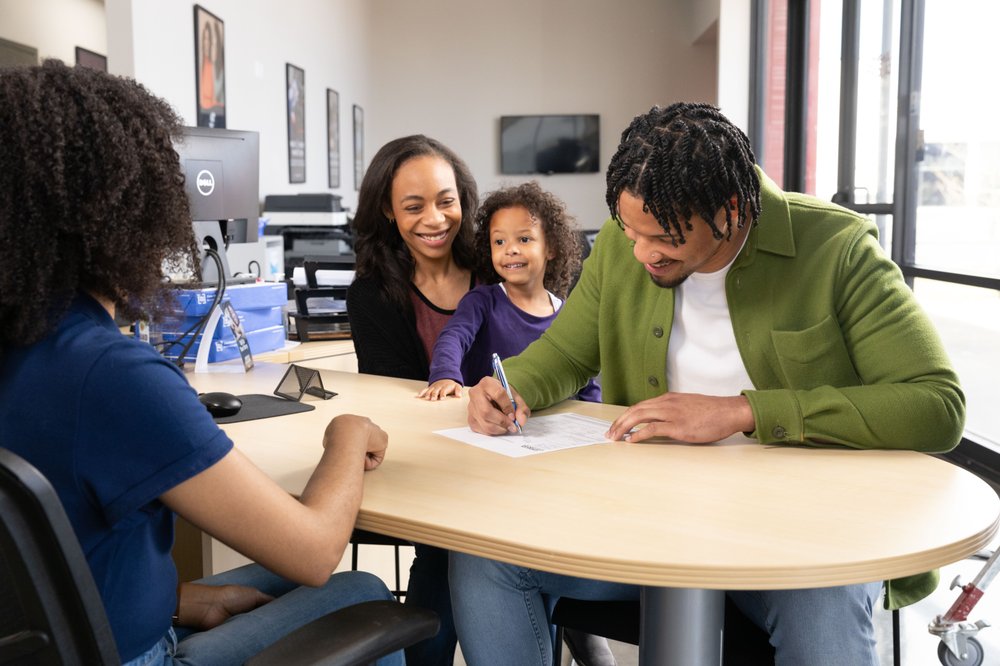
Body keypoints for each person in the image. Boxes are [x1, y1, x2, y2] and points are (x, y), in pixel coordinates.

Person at [456, 102, 965, 665]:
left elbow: (936, 405)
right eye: (630, 233)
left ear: (729, 209)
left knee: (827, 615)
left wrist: (743, 412)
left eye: (662, 238)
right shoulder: (628, 252)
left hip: (800, 535)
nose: (642, 253)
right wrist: (512, 386)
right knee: (485, 557)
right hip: (644, 517)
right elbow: (567, 354)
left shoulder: (835, 247)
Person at [0, 61, 401, 666]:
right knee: (363, 594)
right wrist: (347, 436)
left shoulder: (32, 347)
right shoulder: (113, 376)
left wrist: (180, 600)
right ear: (129, 211)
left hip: (67, 641)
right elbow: (315, 552)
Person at [347, 134, 480, 665]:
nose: (435, 218)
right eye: (413, 206)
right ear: (387, 210)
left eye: (446, 200)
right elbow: (399, 403)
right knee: (447, 553)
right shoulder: (373, 294)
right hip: (436, 468)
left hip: (520, 454)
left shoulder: (500, 266)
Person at [417, 181, 600, 403]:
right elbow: (453, 338)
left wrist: (596, 412)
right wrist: (445, 375)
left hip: (548, 427)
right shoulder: (481, 301)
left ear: (551, 247)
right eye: (499, 241)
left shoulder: (567, 313)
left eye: (524, 239)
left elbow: (582, 374)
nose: (510, 250)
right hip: (487, 420)